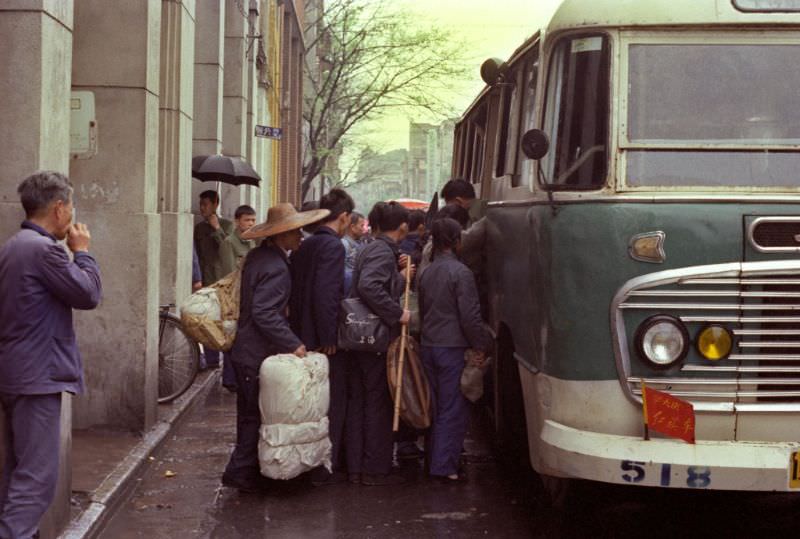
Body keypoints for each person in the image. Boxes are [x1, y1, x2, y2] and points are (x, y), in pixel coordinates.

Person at [0, 171, 102, 537]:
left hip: (17, 371)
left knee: (17, 470)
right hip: (36, 375)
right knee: (37, 477)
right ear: (59, 208)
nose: (73, 216)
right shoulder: (43, 250)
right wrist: (83, 253)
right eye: (71, 206)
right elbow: (88, 294)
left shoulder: (14, 245)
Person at [221, 203, 329, 493]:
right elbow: (264, 312)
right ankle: (240, 472)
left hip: (244, 351)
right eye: (295, 232)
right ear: (281, 236)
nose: (300, 237)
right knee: (254, 416)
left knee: (249, 413)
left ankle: (245, 470)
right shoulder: (276, 266)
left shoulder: (259, 256)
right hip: (255, 352)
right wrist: (293, 343)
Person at [289, 189, 355, 486]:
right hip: (321, 337)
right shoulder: (333, 247)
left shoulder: (307, 244)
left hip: (300, 331)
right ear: (343, 217)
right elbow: (326, 294)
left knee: (309, 403)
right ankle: (327, 462)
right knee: (332, 401)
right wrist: (329, 335)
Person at [418, 217, 491, 483]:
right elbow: (469, 317)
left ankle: (434, 460)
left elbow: (424, 311)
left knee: (435, 406)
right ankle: (444, 466)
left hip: (429, 345)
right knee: (452, 408)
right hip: (452, 347)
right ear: (457, 242)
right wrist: (480, 345)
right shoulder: (462, 273)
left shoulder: (426, 272)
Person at [346, 201, 412, 486]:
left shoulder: (372, 247)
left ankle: (359, 465)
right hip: (375, 338)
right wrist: (397, 313)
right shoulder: (381, 251)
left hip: (363, 336)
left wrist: (397, 276)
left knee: (364, 400)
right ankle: (374, 466)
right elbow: (369, 286)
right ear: (403, 226)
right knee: (376, 401)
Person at [218, 205, 257, 392]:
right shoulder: (229, 243)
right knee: (231, 337)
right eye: (246, 220)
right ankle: (230, 378)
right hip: (233, 297)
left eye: (253, 220)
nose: (250, 224)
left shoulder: (252, 242)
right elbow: (228, 274)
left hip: (249, 297)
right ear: (237, 221)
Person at [194, 190, 233, 369]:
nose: (202, 208)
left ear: (215, 204)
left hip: (222, 281)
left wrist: (217, 228)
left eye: (206, 204)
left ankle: (228, 362)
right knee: (208, 321)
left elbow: (228, 250)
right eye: (201, 204)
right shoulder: (199, 229)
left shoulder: (227, 225)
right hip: (205, 281)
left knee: (224, 323)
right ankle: (211, 359)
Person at [342, 211, 365, 294]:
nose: (363, 229)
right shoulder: (344, 244)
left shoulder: (360, 243)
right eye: (361, 226)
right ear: (352, 227)